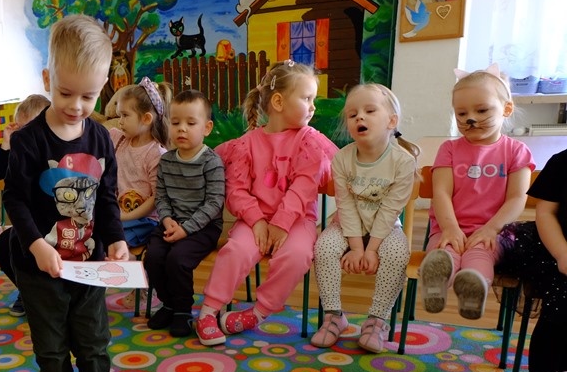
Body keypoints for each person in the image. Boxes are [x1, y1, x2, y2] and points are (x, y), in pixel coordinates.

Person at [3, 14, 132, 372]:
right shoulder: (28, 141)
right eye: (65, 92)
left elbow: (107, 197)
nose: (76, 105)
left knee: (94, 341)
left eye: (88, 96)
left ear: (103, 87)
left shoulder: (101, 139)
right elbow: (15, 199)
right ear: (48, 79)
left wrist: (116, 239)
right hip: (40, 268)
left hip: (88, 264)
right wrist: (36, 245)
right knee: (51, 344)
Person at [195, 60, 337, 346]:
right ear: (278, 102)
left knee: (297, 256)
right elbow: (236, 190)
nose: (313, 107)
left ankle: (258, 313)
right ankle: (208, 311)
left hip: (297, 222)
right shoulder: (247, 144)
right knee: (235, 250)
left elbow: (304, 187)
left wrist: (281, 224)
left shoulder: (309, 141)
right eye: (307, 98)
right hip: (254, 220)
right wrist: (258, 221)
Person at [310, 84, 419, 353]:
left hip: (385, 227)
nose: (359, 116)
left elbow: (390, 211)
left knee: (397, 253)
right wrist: (357, 247)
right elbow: (345, 206)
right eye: (352, 114)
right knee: (324, 247)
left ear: (391, 121)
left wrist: (371, 250)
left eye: (370, 111)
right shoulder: (342, 159)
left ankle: (377, 321)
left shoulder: (403, 162)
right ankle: (334, 316)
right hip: (346, 225)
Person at [419, 65, 533, 320]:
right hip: (448, 228)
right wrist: (450, 228)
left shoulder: (516, 151)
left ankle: (473, 287)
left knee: (481, 254)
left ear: (506, 109)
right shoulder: (449, 149)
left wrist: (491, 229)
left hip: (494, 231)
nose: (470, 118)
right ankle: (435, 284)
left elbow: (517, 198)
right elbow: (441, 192)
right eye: (462, 113)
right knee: (443, 254)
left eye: (481, 110)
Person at [144, 89, 224, 338]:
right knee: (152, 257)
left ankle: (182, 310)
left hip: (203, 227)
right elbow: (162, 197)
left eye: (191, 123)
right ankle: (168, 304)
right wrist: (167, 220)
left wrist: (186, 229)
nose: (182, 129)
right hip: (171, 222)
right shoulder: (166, 161)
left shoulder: (211, 162)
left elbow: (214, 203)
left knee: (177, 259)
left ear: (207, 128)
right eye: (176, 122)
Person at [495, 150, 567, 372]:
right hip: (553, 244)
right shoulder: (562, 162)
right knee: (561, 296)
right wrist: (562, 253)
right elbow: (546, 213)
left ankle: (555, 367)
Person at [0, 94, 50, 316]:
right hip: (27, 225)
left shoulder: (50, 151)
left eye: (28, 129)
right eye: (20, 129)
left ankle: (45, 294)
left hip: (52, 225)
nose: (24, 135)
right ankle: (28, 292)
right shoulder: (18, 151)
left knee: (32, 251)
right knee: (3, 246)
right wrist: (6, 143)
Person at [107, 77, 171, 248]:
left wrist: (124, 217)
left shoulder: (156, 154)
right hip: (117, 215)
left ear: (146, 119)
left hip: (145, 221)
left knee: (112, 243)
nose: (120, 121)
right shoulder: (117, 138)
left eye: (125, 115)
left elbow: (156, 198)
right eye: (119, 115)